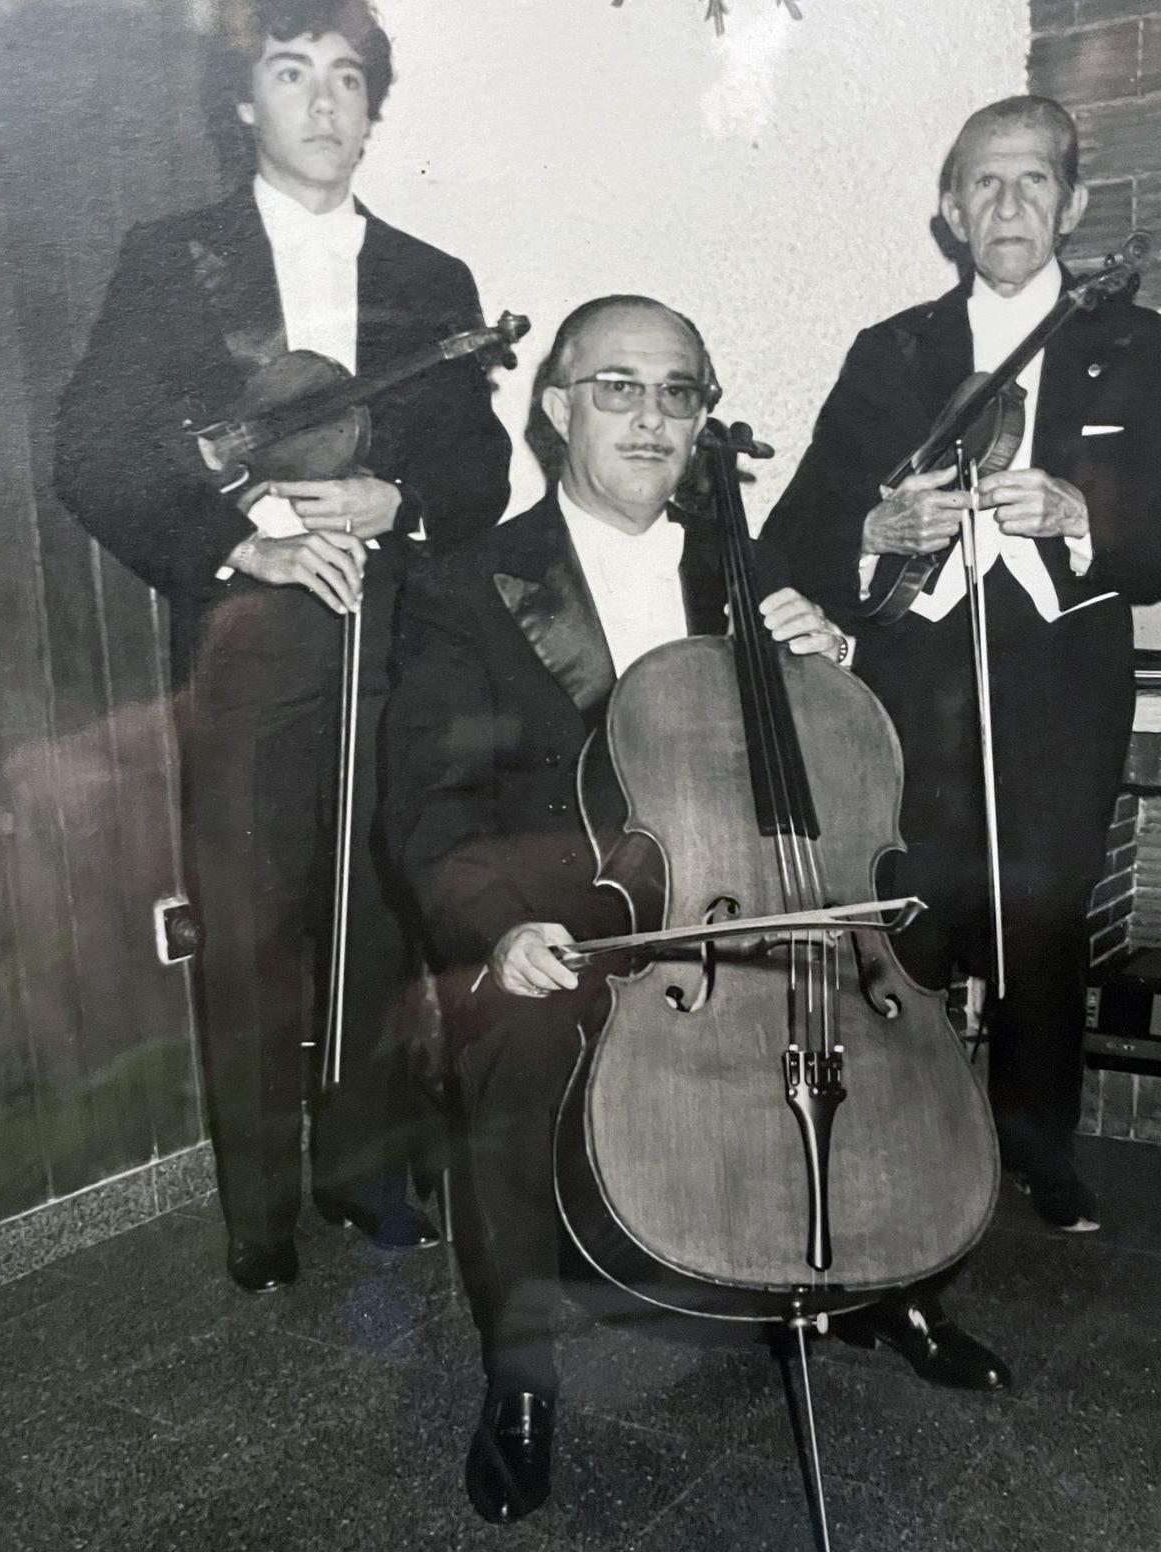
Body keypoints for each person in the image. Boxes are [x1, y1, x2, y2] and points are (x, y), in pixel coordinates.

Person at [383, 295, 1007, 1527]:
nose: (652, 417)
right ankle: (521, 1378)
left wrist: (824, 655)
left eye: (681, 392)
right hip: (575, 932)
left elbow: (826, 770)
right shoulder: (466, 582)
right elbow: (427, 807)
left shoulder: (744, 566)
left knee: (883, 1005)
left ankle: (886, 1281)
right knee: (509, 1051)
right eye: (617, 386)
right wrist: (500, 932)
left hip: (744, 912)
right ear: (556, 409)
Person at [54, 0, 511, 1294]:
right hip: (253, 645)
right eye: (291, 71)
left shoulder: (434, 275)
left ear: (375, 112)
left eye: (348, 77)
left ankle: (365, 1170)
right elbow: (91, 447)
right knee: (251, 922)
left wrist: (399, 497)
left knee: (385, 904)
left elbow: (479, 474)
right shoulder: (172, 258)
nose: (324, 101)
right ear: (243, 100)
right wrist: (239, 537)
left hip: (397, 637)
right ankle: (260, 1207)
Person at [764, 95, 1161, 1234]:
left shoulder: (1137, 346)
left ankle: (1041, 1147)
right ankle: (900, 1134)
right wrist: (872, 536)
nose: (1009, 204)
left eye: (1033, 181)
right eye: (984, 183)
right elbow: (801, 527)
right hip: (917, 665)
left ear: (1074, 204)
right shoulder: (892, 350)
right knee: (913, 909)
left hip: (1062, 665)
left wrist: (1084, 515)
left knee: (1045, 909)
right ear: (950, 210)